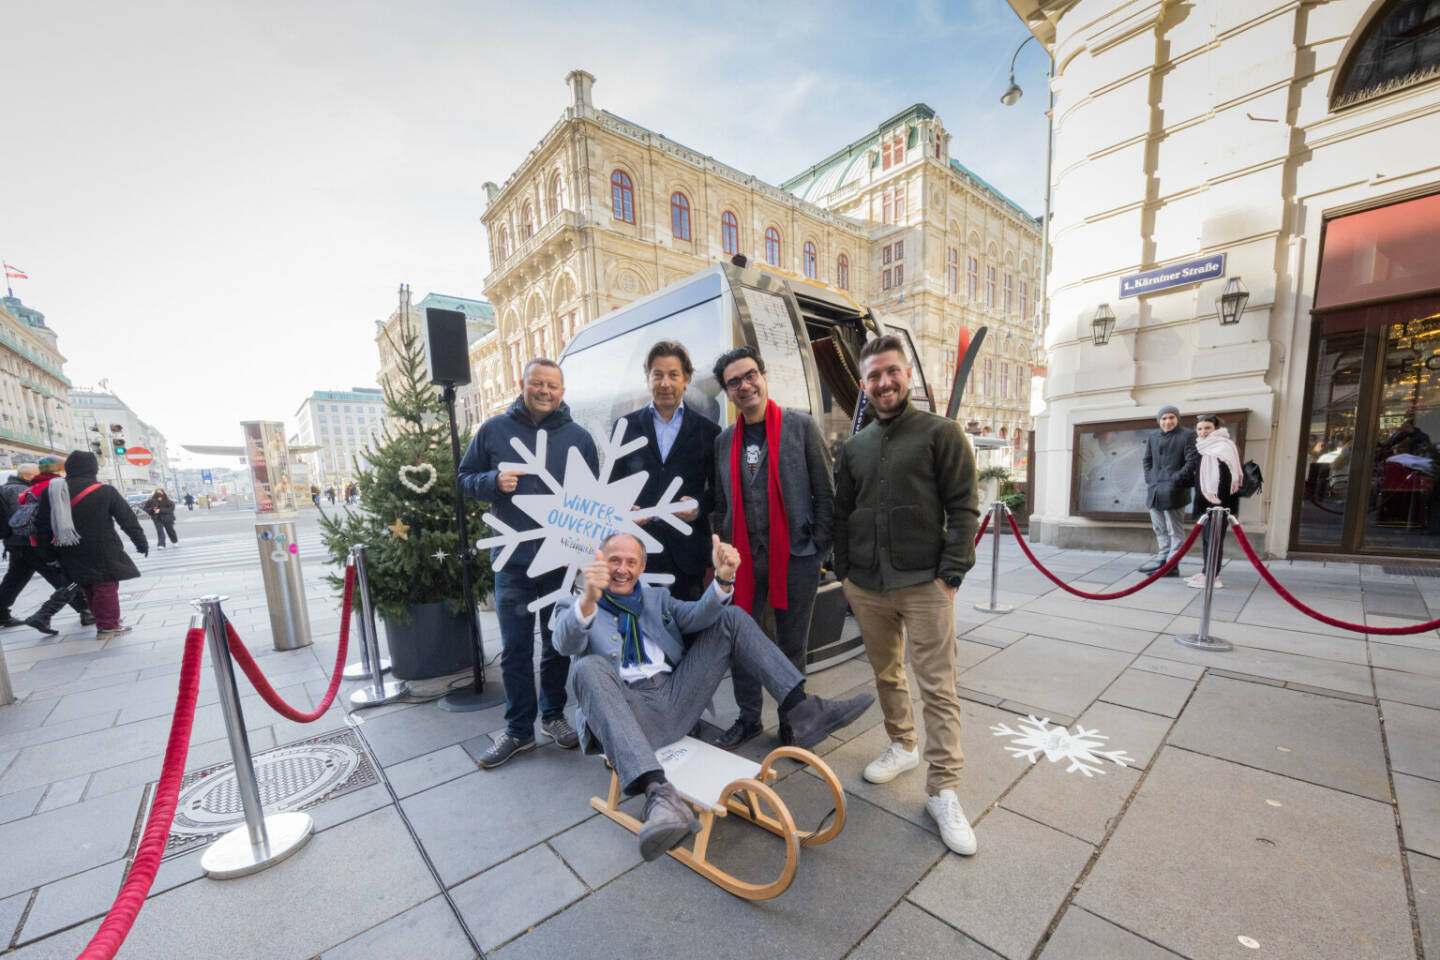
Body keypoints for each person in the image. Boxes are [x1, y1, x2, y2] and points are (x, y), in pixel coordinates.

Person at [554, 532, 872, 861]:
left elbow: (699, 617)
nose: (622, 569)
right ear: (599, 564)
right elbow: (565, 643)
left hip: (676, 698)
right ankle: (661, 798)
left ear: (642, 567)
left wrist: (723, 578)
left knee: (730, 617)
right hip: (629, 715)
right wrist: (588, 599)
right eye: (614, 560)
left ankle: (802, 711)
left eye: (631, 562)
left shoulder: (657, 599)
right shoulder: (575, 604)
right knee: (586, 667)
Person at [834, 335, 981, 856]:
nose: (884, 382)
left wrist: (951, 575)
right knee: (886, 674)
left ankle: (943, 791)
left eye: (892, 372)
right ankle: (903, 745)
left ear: (907, 375)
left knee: (938, 689)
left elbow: (964, 508)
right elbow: (841, 513)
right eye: (874, 376)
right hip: (869, 586)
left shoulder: (941, 434)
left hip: (925, 585)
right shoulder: (855, 446)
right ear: (864, 384)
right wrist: (846, 572)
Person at [458, 357, 600, 768]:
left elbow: (589, 499)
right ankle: (518, 729)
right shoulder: (494, 430)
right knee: (516, 647)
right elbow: (464, 478)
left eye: (552, 386)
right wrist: (492, 482)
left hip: (559, 561)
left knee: (558, 644)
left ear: (562, 392)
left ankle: (552, 716)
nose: (544, 391)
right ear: (522, 385)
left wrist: (582, 554)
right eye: (537, 383)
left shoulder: (578, 438)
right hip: (513, 559)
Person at [709, 345, 834, 750]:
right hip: (742, 561)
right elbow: (723, 503)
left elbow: (825, 494)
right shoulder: (724, 441)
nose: (744, 386)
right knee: (741, 642)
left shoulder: (800, 427)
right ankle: (748, 719)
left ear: (763, 377)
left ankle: (792, 722)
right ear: (727, 393)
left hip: (794, 557)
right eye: (734, 382)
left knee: (791, 643)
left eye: (750, 376)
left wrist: (817, 550)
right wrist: (723, 545)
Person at [612, 340, 721, 601]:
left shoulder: (708, 431)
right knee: (640, 633)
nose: (665, 383)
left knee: (687, 630)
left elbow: (719, 490)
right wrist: (624, 507)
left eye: (673, 375)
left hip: (687, 552)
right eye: (657, 374)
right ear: (647, 378)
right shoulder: (625, 426)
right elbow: (612, 484)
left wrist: (698, 506)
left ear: (686, 379)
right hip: (636, 551)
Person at [33, 451, 148, 642]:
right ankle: (108, 626)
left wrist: (48, 554)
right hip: (102, 547)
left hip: (68, 547)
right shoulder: (104, 490)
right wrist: (140, 542)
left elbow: (42, 526)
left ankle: (103, 620)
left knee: (87, 585)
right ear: (93, 468)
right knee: (105, 584)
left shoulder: (52, 491)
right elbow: (127, 519)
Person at [0, 460, 93, 634]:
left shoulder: (8, 488)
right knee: (64, 579)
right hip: (32, 543)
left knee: (14, 580)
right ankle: (82, 610)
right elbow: (34, 520)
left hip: (15, 543)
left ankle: (1, 613)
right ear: (27, 475)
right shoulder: (24, 490)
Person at [1186, 414, 1243, 590]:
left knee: (1214, 541)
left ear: (1215, 429)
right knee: (1206, 540)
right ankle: (1206, 571)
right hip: (1206, 502)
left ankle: (1213, 576)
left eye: (1207, 428)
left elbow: (1226, 478)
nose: (1203, 432)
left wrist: (1218, 503)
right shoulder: (1204, 447)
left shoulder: (1223, 446)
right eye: (1200, 428)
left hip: (1219, 503)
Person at [1140, 405, 1199, 575]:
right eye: (1164, 418)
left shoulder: (1187, 435)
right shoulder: (1153, 436)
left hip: (1175, 490)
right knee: (1159, 527)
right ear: (1159, 420)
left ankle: (1172, 565)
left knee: (1175, 530)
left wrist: (1174, 479)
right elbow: (1147, 461)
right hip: (1155, 490)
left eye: (1171, 417)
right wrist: (1151, 480)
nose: (1167, 421)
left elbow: (1191, 462)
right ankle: (1162, 560)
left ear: (1177, 418)